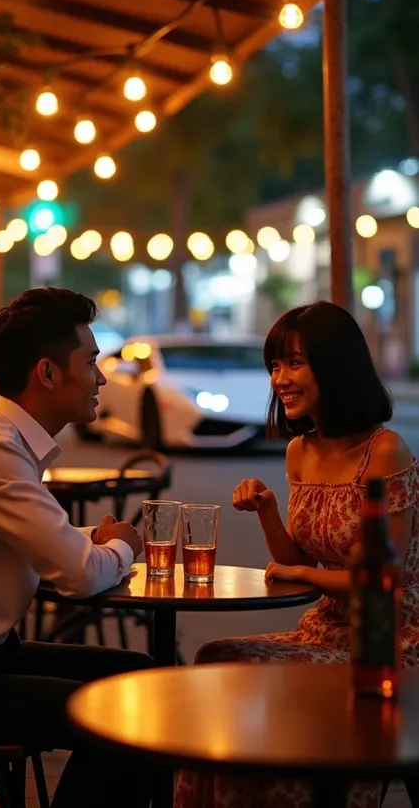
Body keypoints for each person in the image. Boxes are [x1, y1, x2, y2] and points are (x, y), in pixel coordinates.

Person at [175, 301, 419, 808]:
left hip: (390, 642)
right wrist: (266, 511)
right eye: (274, 365)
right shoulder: (300, 451)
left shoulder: (385, 450)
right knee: (215, 660)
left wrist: (299, 570)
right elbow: (296, 555)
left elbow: (383, 580)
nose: (280, 378)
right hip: (325, 630)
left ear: (335, 366)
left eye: (294, 363)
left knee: (233, 666)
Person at [0, 287, 154, 808]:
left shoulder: (2, 442)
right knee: (131, 710)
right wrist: (123, 547)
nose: (101, 378)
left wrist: (88, 540)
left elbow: (28, 543)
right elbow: (80, 577)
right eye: (92, 361)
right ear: (48, 373)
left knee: (144, 679)